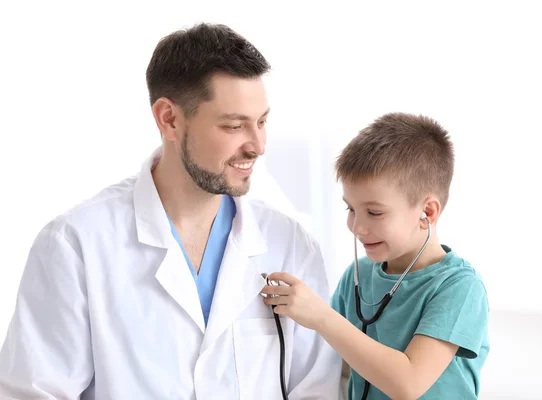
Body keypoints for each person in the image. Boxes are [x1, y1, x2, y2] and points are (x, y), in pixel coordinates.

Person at [0, 23, 341, 399]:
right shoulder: (76, 245)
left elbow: (315, 390)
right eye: (233, 125)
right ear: (169, 119)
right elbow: (35, 392)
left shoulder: (290, 244)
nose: (258, 145)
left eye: (261, 122)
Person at [261, 112, 490, 399]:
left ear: (427, 212)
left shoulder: (459, 287)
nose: (357, 226)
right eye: (351, 209)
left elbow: (408, 383)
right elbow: (339, 371)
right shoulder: (357, 277)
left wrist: (321, 316)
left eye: (374, 212)